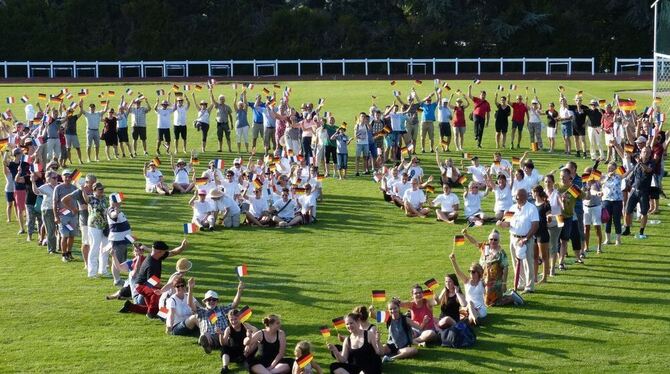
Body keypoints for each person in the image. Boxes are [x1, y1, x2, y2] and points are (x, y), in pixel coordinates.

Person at [120, 239, 188, 318]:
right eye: (163, 252)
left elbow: (172, 252)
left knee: (156, 307)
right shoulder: (151, 265)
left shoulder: (157, 256)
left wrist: (182, 247)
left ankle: (130, 306)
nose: (165, 253)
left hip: (147, 284)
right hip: (142, 286)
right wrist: (169, 286)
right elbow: (153, 284)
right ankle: (153, 314)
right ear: (158, 251)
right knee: (159, 293)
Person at [462, 229, 519, 306]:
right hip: (483, 279)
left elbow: (505, 268)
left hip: (495, 282)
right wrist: (466, 235)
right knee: (486, 302)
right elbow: (475, 242)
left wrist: (504, 283)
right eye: (491, 239)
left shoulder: (501, 253)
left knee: (491, 303)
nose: (493, 241)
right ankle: (506, 298)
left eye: (495, 239)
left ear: (499, 241)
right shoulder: (486, 247)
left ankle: (512, 297)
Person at [497, 188, 538, 293]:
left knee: (527, 262)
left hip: (526, 239)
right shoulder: (512, 207)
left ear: (523, 196)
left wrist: (525, 238)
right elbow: (507, 223)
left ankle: (529, 286)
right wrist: (501, 224)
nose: (515, 197)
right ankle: (520, 283)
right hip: (514, 238)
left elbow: (535, 226)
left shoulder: (531, 208)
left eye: (517, 196)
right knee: (516, 262)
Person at [192, 280, 245, 354]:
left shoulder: (221, 309)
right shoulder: (202, 311)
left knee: (231, 337)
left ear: (217, 301)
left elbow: (234, 304)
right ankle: (207, 345)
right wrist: (190, 289)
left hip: (224, 335)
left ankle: (235, 348)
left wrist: (239, 291)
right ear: (204, 302)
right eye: (209, 300)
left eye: (214, 299)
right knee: (204, 336)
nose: (211, 301)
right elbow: (191, 305)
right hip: (210, 336)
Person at [623, 146, 655, 239]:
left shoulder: (651, 163)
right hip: (634, 190)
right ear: (641, 153)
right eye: (644, 152)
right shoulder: (637, 163)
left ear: (650, 154)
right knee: (627, 211)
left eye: (648, 152)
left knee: (644, 212)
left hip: (644, 192)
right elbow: (627, 156)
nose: (646, 153)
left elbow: (648, 170)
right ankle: (627, 229)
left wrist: (640, 162)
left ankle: (641, 232)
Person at [448, 253, 487, 325]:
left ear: (478, 273)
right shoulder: (466, 281)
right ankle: (475, 320)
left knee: (470, 305)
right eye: (470, 271)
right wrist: (453, 261)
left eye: (473, 272)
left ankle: (473, 320)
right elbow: (458, 272)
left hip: (480, 309)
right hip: (467, 308)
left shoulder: (482, 282)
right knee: (470, 304)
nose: (471, 273)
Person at [380, 299, 419, 363]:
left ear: (399, 308)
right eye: (391, 309)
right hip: (391, 345)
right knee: (378, 350)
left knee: (414, 350)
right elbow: (373, 316)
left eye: (395, 308)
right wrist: (371, 311)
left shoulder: (405, 319)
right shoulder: (388, 318)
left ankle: (389, 358)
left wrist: (424, 323)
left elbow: (419, 327)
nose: (393, 310)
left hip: (403, 346)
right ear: (388, 310)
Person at [221, 308, 259, 373]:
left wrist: (249, 338)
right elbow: (224, 343)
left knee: (256, 343)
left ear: (240, 318)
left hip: (246, 350)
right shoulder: (228, 329)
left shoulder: (245, 325)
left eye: (235, 319)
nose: (233, 321)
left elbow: (257, 331)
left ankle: (244, 358)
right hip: (234, 350)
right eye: (231, 320)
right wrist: (220, 334)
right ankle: (225, 366)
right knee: (224, 348)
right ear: (229, 320)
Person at [53, 169, 78, 262]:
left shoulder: (74, 188)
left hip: (73, 216)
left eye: (69, 176)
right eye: (65, 176)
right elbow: (54, 202)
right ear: (62, 177)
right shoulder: (58, 188)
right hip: (63, 216)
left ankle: (69, 253)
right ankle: (64, 254)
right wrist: (56, 216)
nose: (67, 178)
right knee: (64, 235)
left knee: (71, 235)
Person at [32, 170, 59, 254]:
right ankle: (51, 249)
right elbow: (36, 192)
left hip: (58, 210)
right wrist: (33, 182)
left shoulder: (59, 186)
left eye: (56, 177)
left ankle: (60, 247)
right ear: (48, 179)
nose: (56, 179)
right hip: (48, 210)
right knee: (51, 230)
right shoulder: (45, 187)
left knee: (60, 230)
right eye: (54, 178)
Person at [531, 185, 551, 283]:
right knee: (535, 257)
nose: (532, 194)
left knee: (544, 256)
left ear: (537, 193)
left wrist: (549, 218)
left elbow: (549, 217)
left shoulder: (546, 205)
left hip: (543, 233)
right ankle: (534, 277)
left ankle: (544, 277)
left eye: (533, 192)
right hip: (534, 233)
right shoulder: (532, 204)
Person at [602, 162, 624, 246]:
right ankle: (607, 239)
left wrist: (627, 158)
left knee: (616, 220)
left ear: (615, 169)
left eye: (612, 168)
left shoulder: (619, 176)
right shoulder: (604, 176)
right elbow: (596, 177)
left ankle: (618, 240)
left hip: (617, 201)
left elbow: (627, 168)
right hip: (606, 200)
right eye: (609, 168)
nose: (610, 170)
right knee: (607, 220)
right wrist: (608, 176)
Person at [582, 167, 604, 254]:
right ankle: (586, 247)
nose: (586, 176)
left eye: (588, 174)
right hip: (586, 207)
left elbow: (594, 191)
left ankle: (599, 247)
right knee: (586, 228)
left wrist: (598, 193)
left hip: (596, 207)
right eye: (585, 174)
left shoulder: (596, 182)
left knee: (597, 228)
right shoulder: (583, 183)